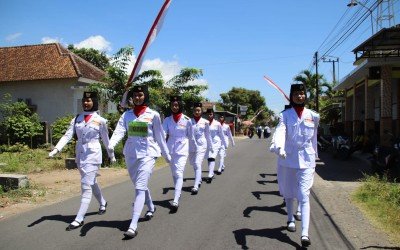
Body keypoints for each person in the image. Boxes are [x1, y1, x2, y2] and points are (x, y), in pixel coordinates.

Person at [108, 85, 171, 239]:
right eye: (135, 95)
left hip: (148, 154)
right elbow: (119, 131)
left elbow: (160, 138)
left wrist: (167, 156)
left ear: (145, 96)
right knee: (139, 185)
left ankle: (133, 225)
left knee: (140, 187)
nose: (137, 97)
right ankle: (151, 207)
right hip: (131, 154)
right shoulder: (127, 115)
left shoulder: (153, 115)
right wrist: (111, 143)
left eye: (140, 95)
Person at [48, 91, 115, 231]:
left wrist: (111, 154)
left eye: (89, 100)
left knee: (85, 186)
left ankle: (79, 218)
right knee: (91, 182)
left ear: (94, 102)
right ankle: (103, 202)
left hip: (93, 156)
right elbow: (67, 136)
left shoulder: (101, 121)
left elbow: (106, 140)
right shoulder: (77, 119)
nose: (86, 103)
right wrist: (57, 149)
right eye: (84, 100)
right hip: (80, 155)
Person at [272, 83, 319, 247]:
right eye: (297, 94)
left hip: (307, 159)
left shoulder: (313, 115)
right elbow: (280, 131)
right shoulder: (284, 115)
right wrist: (279, 147)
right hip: (288, 158)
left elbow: (314, 139)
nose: (300, 96)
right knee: (289, 191)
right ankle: (290, 218)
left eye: (302, 93)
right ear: (291, 97)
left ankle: (305, 234)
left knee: (304, 194)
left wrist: (316, 156)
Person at [163, 95, 195, 212]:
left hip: (182, 149)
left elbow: (191, 136)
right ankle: (178, 190)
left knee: (179, 172)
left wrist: (193, 150)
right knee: (174, 173)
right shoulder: (167, 120)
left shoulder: (187, 120)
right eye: (172, 105)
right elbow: (162, 134)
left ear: (180, 105)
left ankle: (175, 200)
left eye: (176, 105)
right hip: (170, 148)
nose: (174, 107)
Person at [188, 102, 212, 195]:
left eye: (198, 110)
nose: (196, 112)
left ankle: (195, 185)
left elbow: (208, 135)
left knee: (197, 163)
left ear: (201, 111)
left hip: (202, 145)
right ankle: (199, 178)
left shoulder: (205, 122)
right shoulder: (189, 121)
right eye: (195, 110)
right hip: (192, 145)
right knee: (194, 163)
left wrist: (210, 146)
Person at [205, 108, 227, 183]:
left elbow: (221, 134)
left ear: (213, 114)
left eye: (211, 114)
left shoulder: (217, 124)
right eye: (208, 114)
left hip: (216, 142)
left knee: (212, 157)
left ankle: (210, 175)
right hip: (208, 143)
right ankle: (211, 172)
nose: (209, 115)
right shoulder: (205, 123)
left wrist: (224, 143)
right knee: (209, 158)